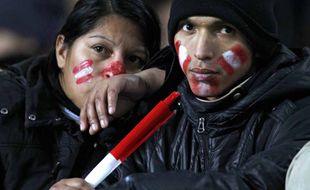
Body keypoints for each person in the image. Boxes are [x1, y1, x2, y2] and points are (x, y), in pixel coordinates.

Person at [52, 0, 310, 189]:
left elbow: (257, 184)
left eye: (225, 30)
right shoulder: (160, 112)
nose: (200, 51)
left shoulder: (298, 109)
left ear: (257, 45)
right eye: (188, 27)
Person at [0, 0, 164, 189]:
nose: (117, 72)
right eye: (100, 49)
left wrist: (148, 81)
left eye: (134, 59)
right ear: (62, 51)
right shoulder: (6, 101)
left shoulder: (155, 127)